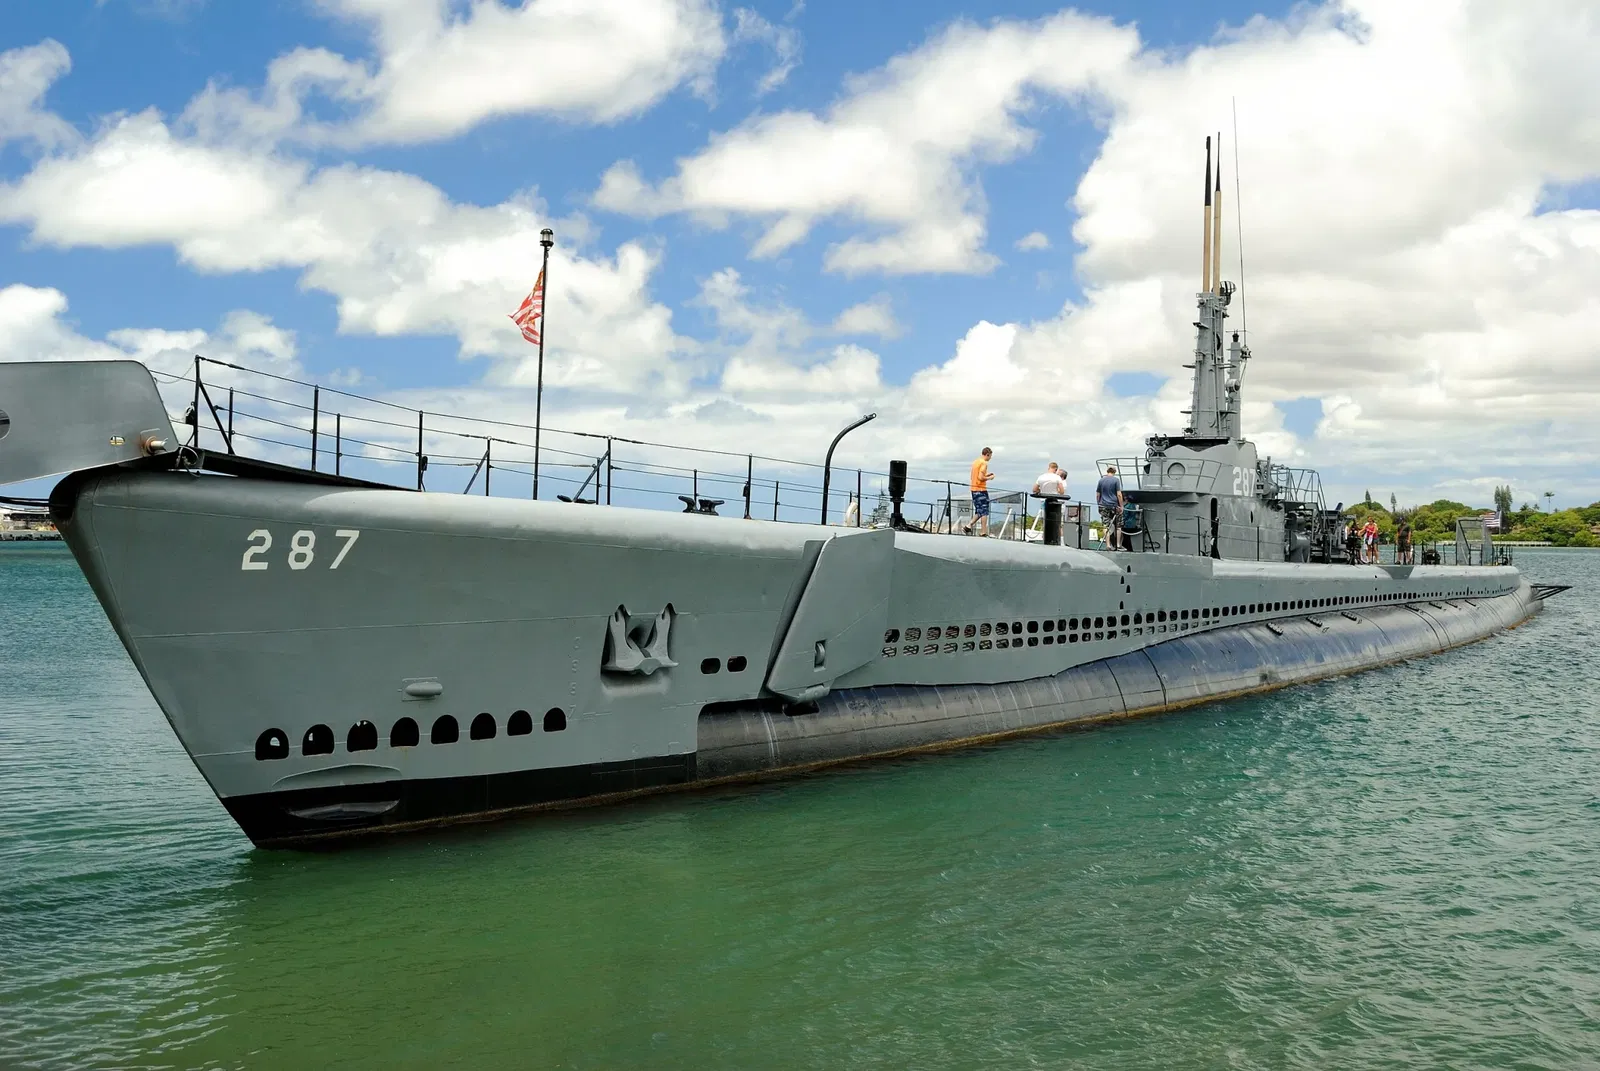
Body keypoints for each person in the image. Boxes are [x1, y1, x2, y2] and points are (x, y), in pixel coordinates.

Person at [967, 447, 996, 536]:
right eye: (990, 456)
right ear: (987, 455)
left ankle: (968, 526)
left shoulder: (976, 462)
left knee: (979, 510)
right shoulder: (984, 463)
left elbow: (977, 476)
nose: (990, 458)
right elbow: (980, 477)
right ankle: (983, 532)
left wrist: (986, 475)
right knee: (984, 511)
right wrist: (989, 478)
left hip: (974, 488)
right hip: (981, 489)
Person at [1096, 466, 1124, 550]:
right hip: (1114, 506)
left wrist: (1098, 504)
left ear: (1107, 471)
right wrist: (1121, 506)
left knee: (1105, 525)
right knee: (1118, 526)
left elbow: (1098, 494)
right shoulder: (1116, 480)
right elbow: (1119, 494)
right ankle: (1118, 545)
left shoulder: (1101, 480)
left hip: (1103, 505)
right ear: (1114, 472)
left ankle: (1108, 545)